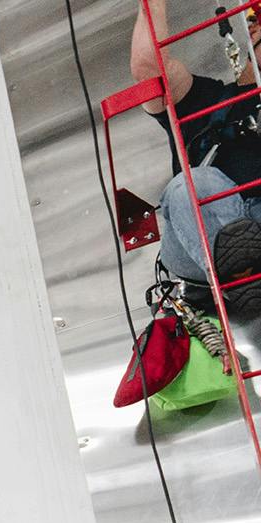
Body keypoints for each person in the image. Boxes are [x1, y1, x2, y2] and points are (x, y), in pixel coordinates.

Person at [133, 0, 261, 315]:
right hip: (195, 234)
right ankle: (240, 274)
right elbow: (151, 68)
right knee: (193, 184)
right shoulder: (207, 100)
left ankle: (244, 276)